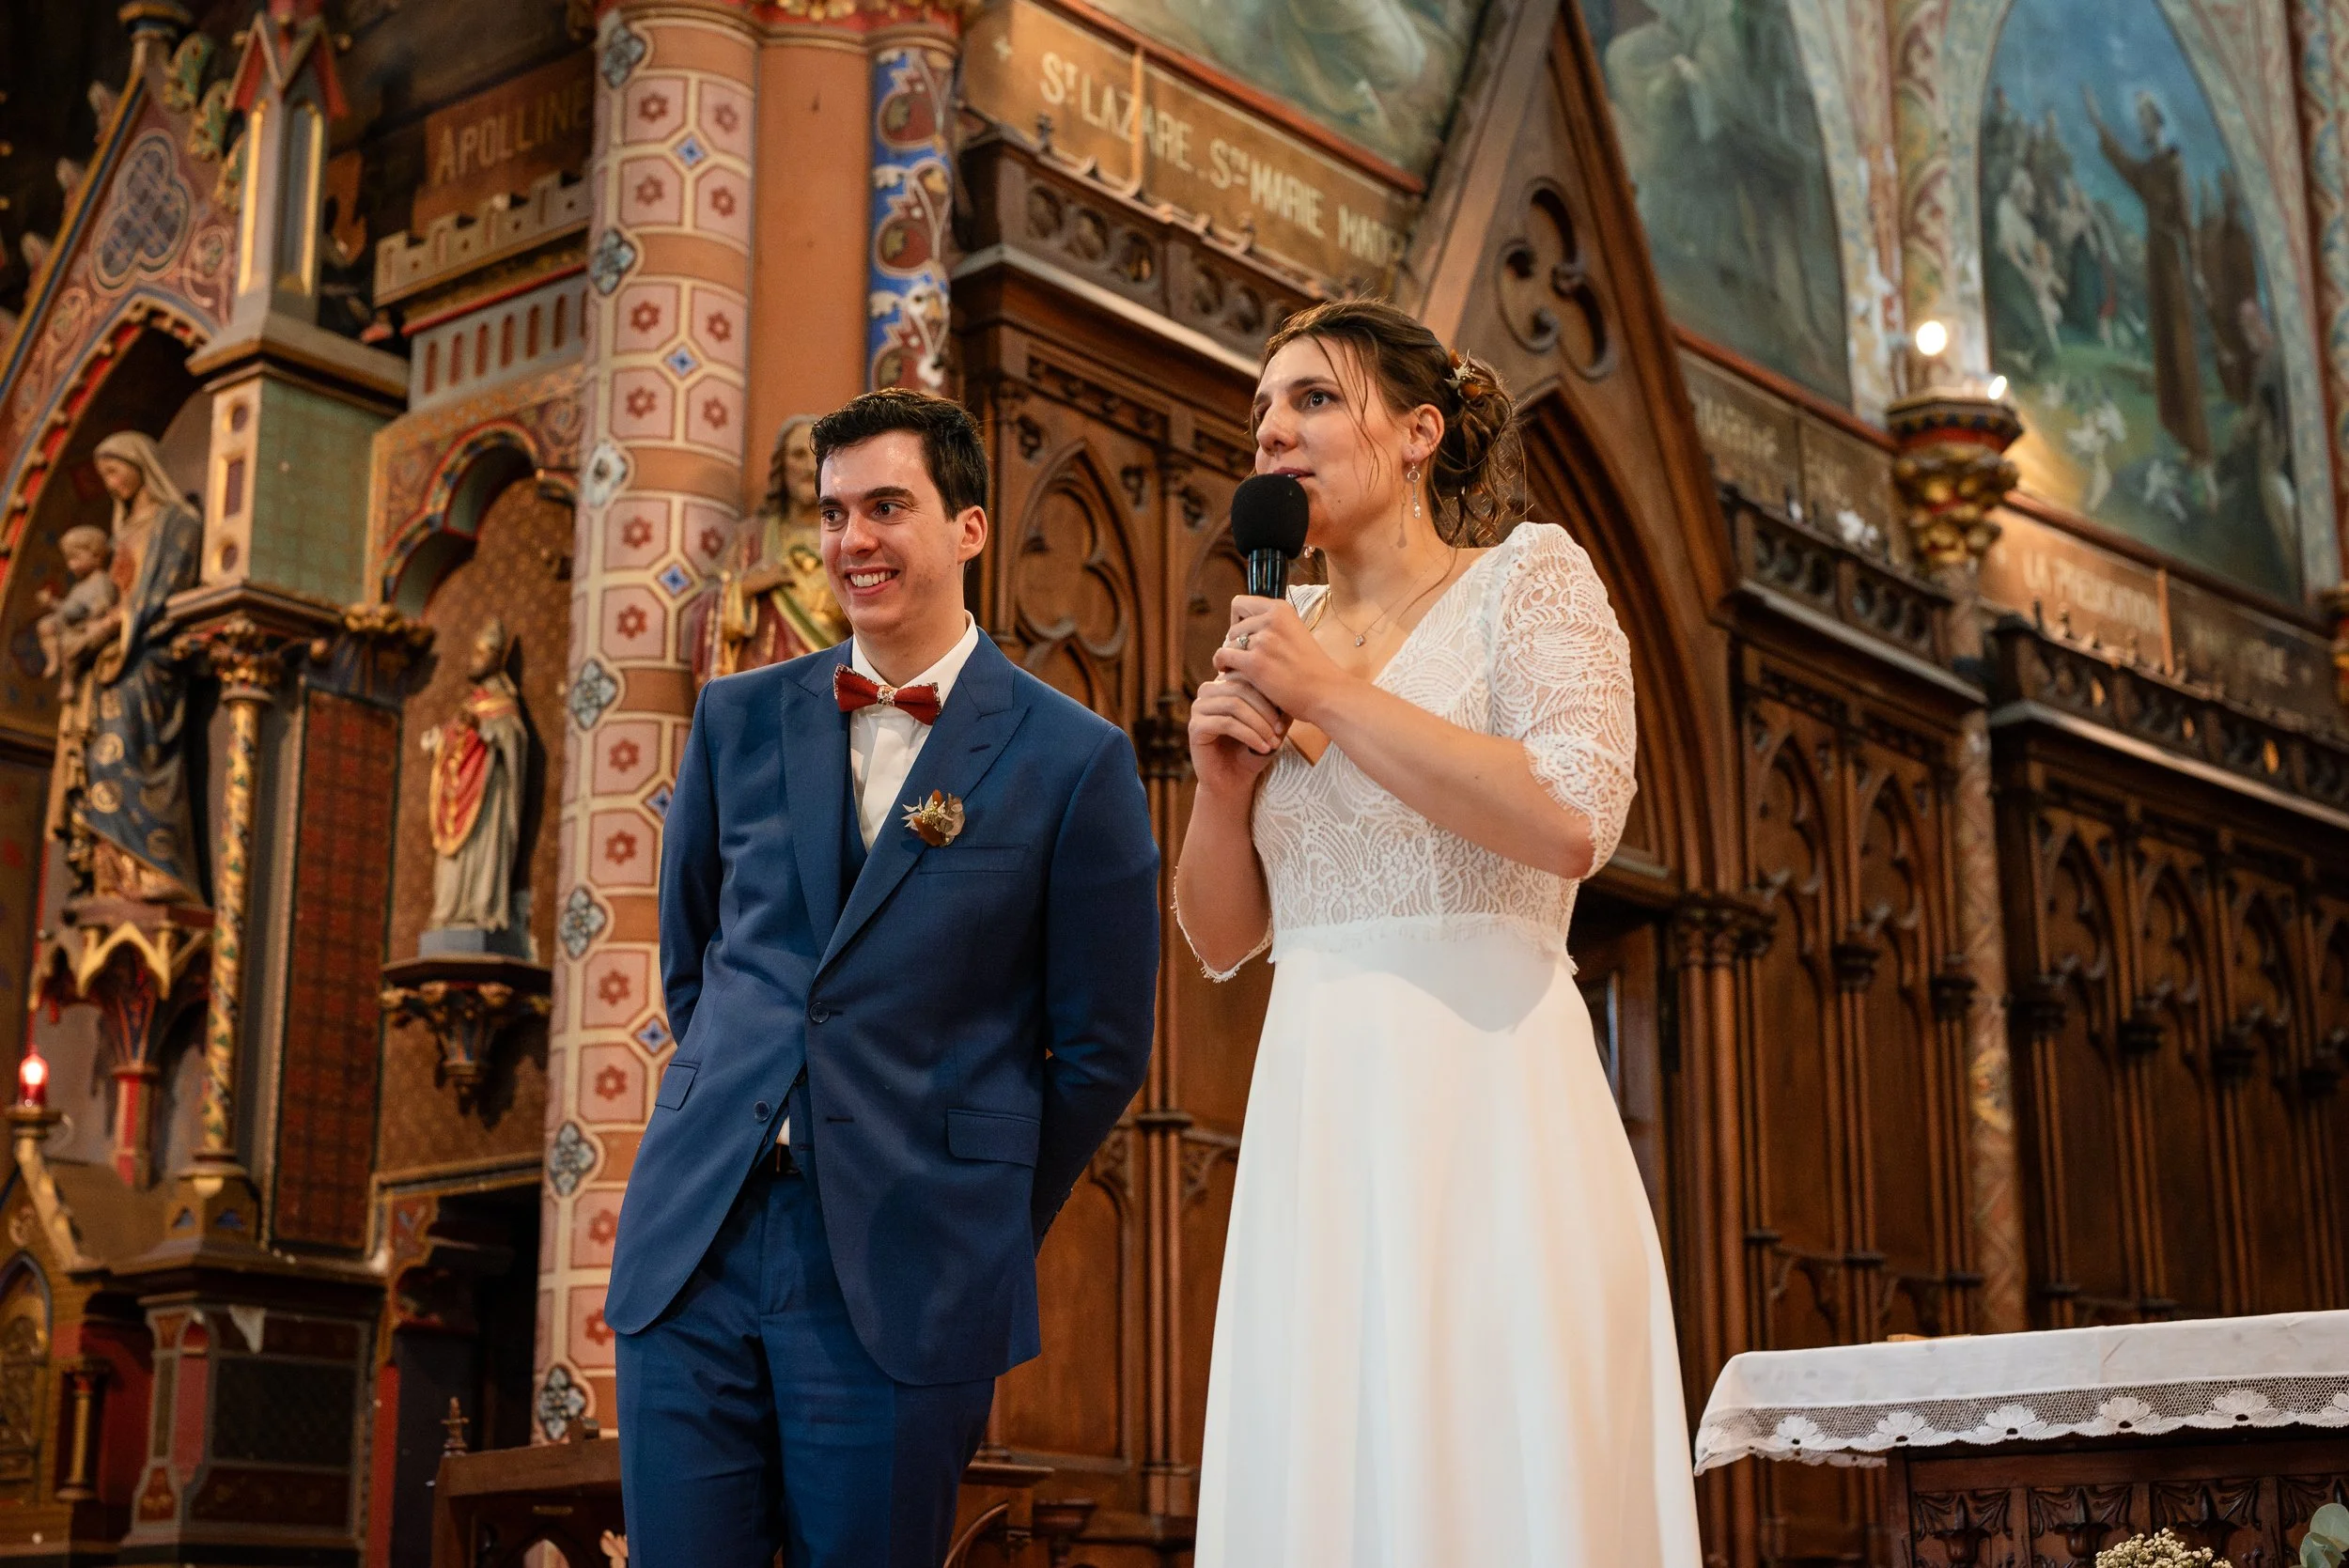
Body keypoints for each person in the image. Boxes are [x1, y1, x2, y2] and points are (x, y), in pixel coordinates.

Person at [1178, 300, 1699, 1564]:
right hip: (1318, 1110)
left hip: (1489, 1097)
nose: (1273, 434)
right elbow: (1221, 937)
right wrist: (1220, 787)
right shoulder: (1276, 631)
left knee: (1495, 1462)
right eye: (1260, 413)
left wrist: (1327, 696)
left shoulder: (1530, 579)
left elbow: (1574, 816)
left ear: (1419, 432)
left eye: (1311, 398)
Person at [608, 388, 1160, 1568]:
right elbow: (695, 961)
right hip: (696, 1239)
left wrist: (976, 1207)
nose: (853, 539)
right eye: (835, 512)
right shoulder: (737, 718)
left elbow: (1103, 1046)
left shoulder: (1077, 760)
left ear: (967, 524)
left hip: (909, 1260)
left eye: (887, 506)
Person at [50, 429, 203, 904]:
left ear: (140, 465)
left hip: (145, 657)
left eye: (115, 471)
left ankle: (157, 869)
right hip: (106, 663)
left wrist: (113, 625)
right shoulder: (116, 536)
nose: (111, 483)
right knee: (98, 763)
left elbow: (165, 594)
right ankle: (112, 876)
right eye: (104, 476)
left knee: (133, 756)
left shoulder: (178, 521)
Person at [34, 524, 118, 689]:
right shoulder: (78, 587)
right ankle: (53, 659)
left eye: (75, 558)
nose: (71, 565)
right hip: (68, 622)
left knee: (70, 645)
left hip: (83, 625)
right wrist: (51, 602)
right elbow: (67, 607)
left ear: (96, 555)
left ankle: (68, 680)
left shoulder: (100, 580)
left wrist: (94, 617)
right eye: (68, 560)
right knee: (44, 625)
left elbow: (103, 605)